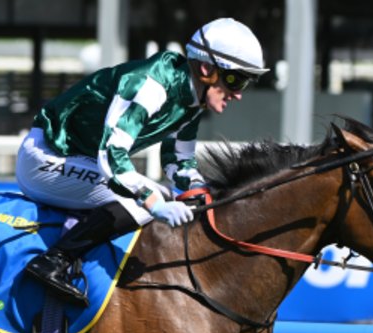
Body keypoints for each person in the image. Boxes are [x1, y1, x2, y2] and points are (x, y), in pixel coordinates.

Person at [17, 18, 269, 307]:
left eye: (245, 83)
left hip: (82, 161)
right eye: (235, 80)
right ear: (206, 69)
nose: (238, 94)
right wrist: (154, 204)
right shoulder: (150, 85)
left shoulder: (191, 101)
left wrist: (202, 194)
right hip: (47, 157)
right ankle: (54, 260)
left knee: (169, 198)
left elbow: (180, 160)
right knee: (145, 202)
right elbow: (111, 155)